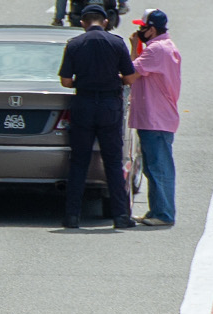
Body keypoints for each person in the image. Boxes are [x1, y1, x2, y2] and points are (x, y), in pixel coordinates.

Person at [58, 4, 138, 230]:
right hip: (109, 106)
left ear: (83, 23)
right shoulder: (116, 43)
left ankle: (72, 217)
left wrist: (81, 82)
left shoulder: (74, 44)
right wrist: (114, 80)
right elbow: (130, 77)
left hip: (83, 104)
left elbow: (65, 81)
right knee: (113, 163)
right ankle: (120, 216)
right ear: (104, 21)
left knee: (79, 162)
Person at [128, 9, 180, 226]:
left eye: (143, 27)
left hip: (156, 118)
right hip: (154, 117)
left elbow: (129, 74)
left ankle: (164, 214)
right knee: (152, 167)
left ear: (152, 29)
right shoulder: (159, 48)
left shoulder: (156, 50)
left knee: (159, 167)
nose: (139, 31)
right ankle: (156, 210)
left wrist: (132, 46)